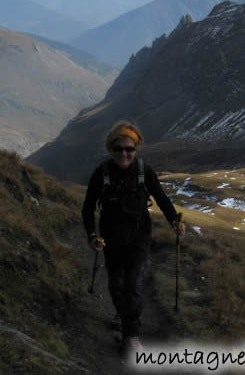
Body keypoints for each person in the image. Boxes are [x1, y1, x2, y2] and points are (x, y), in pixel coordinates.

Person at [82, 120, 185, 355]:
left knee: (132, 284)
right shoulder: (102, 173)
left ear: (135, 150)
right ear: (112, 149)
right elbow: (88, 207)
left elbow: (161, 198)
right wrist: (91, 235)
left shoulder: (143, 171)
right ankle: (123, 312)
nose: (125, 154)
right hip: (111, 238)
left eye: (130, 149)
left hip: (139, 238)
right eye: (119, 149)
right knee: (115, 284)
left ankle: (131, 335)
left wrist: (174, 222)